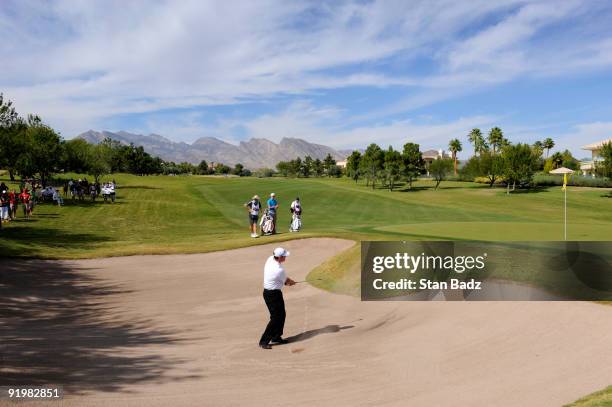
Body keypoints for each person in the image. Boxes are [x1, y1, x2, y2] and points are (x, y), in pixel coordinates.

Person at [259, 247, 295, 349]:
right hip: (272, 295)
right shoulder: (279, 270)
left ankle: (276, 336)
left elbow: (284, 281)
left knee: (281, 314)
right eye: (284, 256)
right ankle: (264, 341)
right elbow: (287, 282)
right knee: (275, 318)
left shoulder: (270, 258)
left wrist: (289, 282)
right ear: (279, 257)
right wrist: (292, 282)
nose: (285, 258)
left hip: (271, 293)